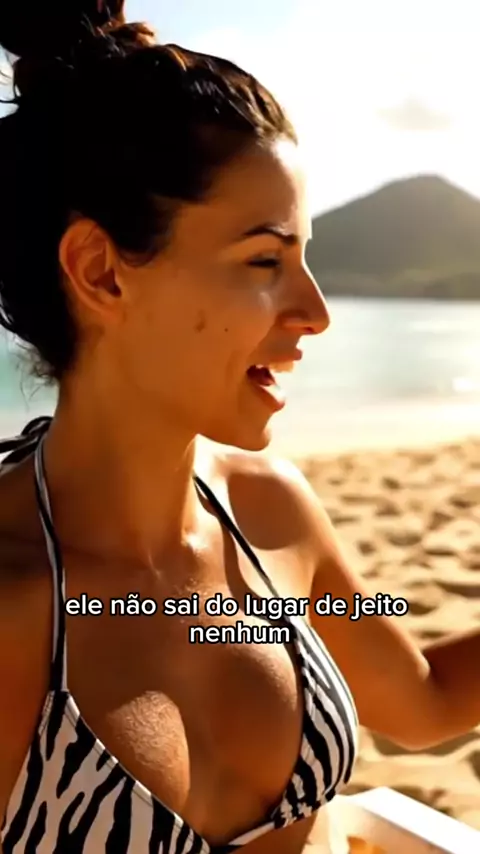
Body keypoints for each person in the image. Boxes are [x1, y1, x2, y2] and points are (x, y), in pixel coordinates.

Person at [0, 3, 479, 854]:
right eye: (265, 260)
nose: (317, 312)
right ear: (101, 272)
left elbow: (424, 701)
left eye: (305, 257)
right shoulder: (12, 609)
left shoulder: (269, 511)